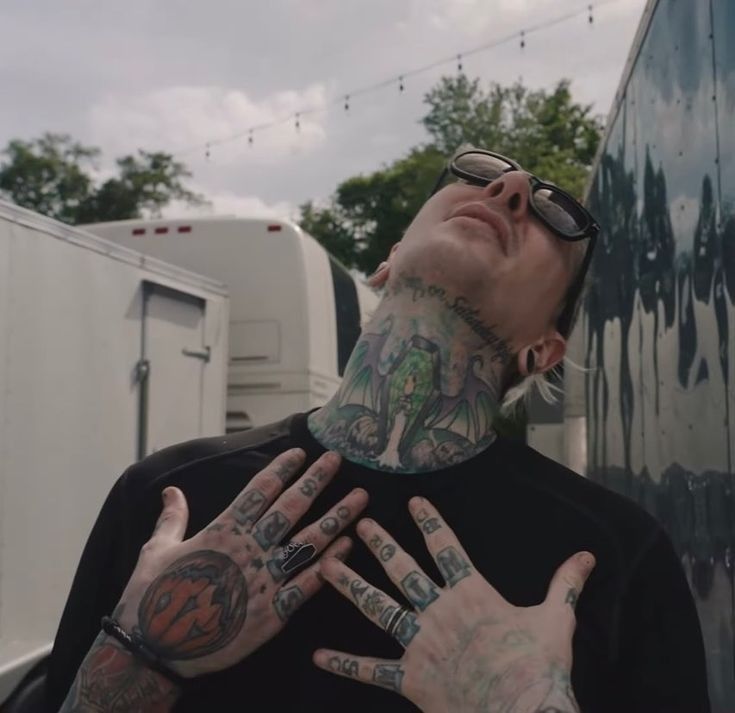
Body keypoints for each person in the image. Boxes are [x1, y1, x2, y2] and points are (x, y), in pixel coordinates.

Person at [45, 149, 710, 712]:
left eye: (553, 215)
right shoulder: (169, 494)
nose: (508, 191)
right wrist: (141, 653)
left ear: (544, 349)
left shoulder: (614, 556)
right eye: (479, 175)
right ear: (389, 260)